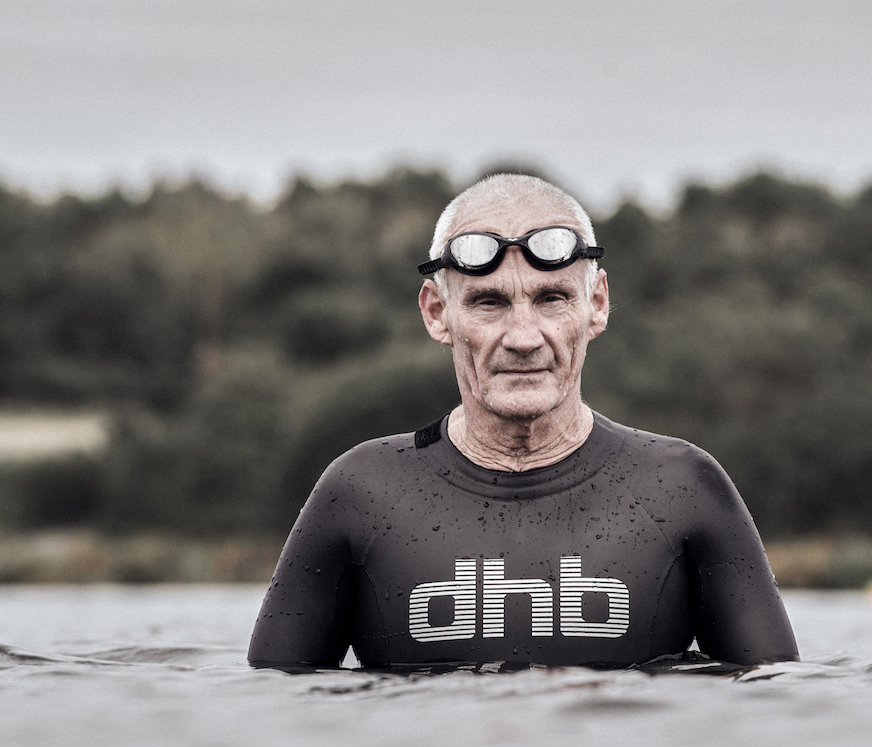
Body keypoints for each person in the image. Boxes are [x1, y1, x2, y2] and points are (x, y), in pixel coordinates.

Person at [248, 174, 797, 670]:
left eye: (552, 298)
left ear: (597, 304)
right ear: (437, 313)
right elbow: (273, 720)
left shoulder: (682, 487)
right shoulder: (360, 490)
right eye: (489, 303)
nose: (523, 337)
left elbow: (773, 716)